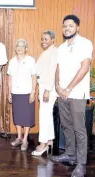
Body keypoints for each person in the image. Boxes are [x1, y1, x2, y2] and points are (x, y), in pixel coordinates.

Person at [50, 15, 93, 177]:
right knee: (66, 126)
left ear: (77, 27)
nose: (67, 28)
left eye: (70, 25)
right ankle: (70, 154)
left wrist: (68, 88)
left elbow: (84, 68)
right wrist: (57, 86)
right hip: (62, 93)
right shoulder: (61, 47)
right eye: (65, 26)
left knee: (79, 129)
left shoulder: (85, 43)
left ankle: (81, 164)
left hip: (76, 94)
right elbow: (58, 68)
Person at [32, 31, 58, 156]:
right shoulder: (46, 52)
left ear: (53, 39)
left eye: (46, 39)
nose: (43, 41)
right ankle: (49, 140)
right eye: (42, 39)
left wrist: (47, 90)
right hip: (44, 86)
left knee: (44, 116)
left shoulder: (54, 52)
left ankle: (42, 144)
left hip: (49, 88)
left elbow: (53, 72)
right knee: (47, 116)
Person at [7, 39, 37, 151]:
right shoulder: (12, 61)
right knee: (18, 116)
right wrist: (9, 92)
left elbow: (34, 77)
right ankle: (19, 137)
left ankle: (25, 140)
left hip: (27, 92)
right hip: (15, 92)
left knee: (27, 117)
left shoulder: (31, 60)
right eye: (18, 46)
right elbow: (10, 78)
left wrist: (33, 92)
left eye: (22, 46)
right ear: (15, 48)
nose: (20, 48)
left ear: (26, 48)